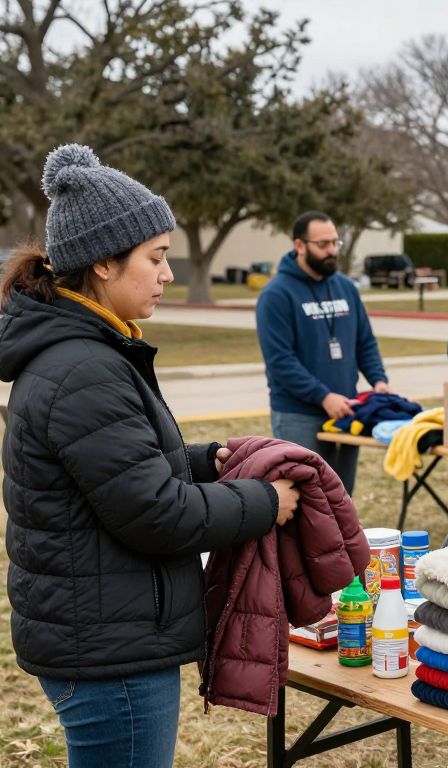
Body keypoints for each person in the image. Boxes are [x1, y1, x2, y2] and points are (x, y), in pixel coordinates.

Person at [0, 144, 300, 767]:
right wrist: (266, 501)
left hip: (105, 634)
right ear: (104, 265)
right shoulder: (83, 368)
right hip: (112, 652)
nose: (167, 274)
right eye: (156, 258)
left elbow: (115, 472)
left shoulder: (86, 352)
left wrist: (203, 460)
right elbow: (157, 514)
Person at [256, 211, 391, 494]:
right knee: (307, 500)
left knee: (342, 498)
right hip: (299, 415)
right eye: (323, 244)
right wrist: (323, 396)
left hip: (346, 411)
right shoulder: (276, 295)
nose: (332, 251)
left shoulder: (345, 288)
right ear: (300, 246)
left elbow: (364, 341)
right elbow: (281, 362)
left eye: (335, 243)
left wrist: (379, 380)